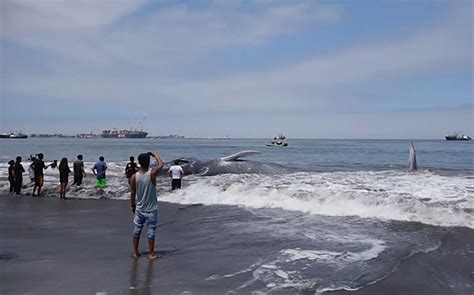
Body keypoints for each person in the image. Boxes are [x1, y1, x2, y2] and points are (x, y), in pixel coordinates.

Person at [130, 150, 164, 260]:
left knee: (137, 230)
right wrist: (155, 154)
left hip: (140, 208)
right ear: (148, 162)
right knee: (151, 230)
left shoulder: (134, 177)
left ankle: (135, 252)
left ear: (139, 162)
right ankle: (151, 253)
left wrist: (133, 206)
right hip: (151, 209)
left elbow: (132, 193)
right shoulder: (152, 173)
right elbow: (161, 164)